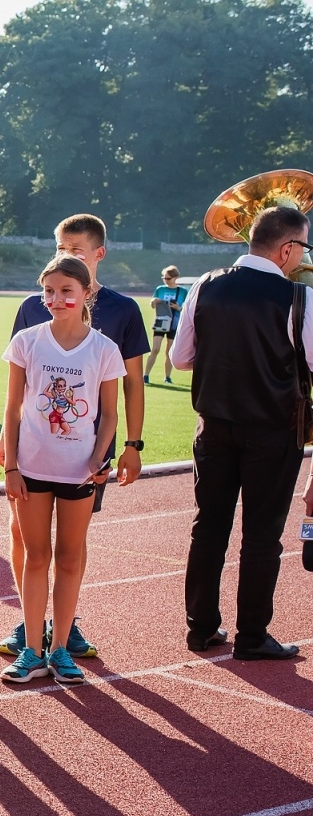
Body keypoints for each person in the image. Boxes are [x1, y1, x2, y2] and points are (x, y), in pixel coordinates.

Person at [0, 214, 148, 659]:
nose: (65, 257)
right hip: (31, 453)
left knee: (71, 546)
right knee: (24, 538)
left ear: (98, 255)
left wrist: (130, 446)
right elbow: (21, 390)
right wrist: (8, 449)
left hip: (83, 454)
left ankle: (65, 626)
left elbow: (131, 386)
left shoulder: (122, 312)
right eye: (59, 248)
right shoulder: (32, 311)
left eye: (75, 251)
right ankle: (31, 623)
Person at [172, 205, 312, 660]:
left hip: (213, 426)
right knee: (262, 535)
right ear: (287, 247)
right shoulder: (299, 298)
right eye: (303, 248)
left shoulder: (204, 285)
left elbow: (179, 359)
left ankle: (201, 629)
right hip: (273, 432)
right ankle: (252, 637)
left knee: (208, 528)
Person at [145, 265, 185, 384]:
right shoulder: (160, 289)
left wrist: (178, 307)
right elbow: (152, 305)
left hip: (174, 322)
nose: (166, 281)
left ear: (175, 278)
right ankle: (146, 375)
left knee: (169, 351)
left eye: (168, 279)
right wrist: (154, 301)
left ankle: (167, 377)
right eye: (164, 278)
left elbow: (186, 309)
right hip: (161, 321)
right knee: (155, 348)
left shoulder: (182, 292)